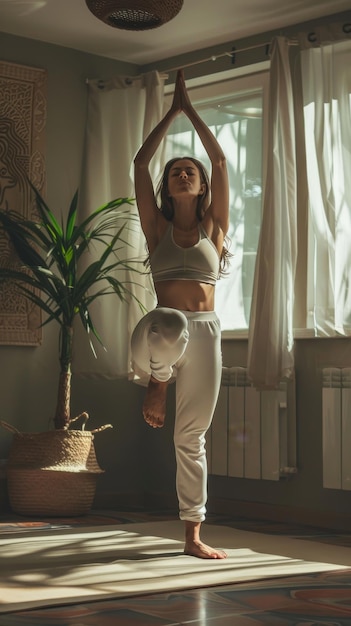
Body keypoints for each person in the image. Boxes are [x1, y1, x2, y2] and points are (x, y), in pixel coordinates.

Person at [131, 69, 229, 559]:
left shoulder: (214, 225)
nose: (182, 173)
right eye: (175, 172)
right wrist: (171, 112)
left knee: (191, 436)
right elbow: (140, 160)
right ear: (167, 189)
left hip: (207, 333)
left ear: (201, 184)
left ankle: (192, 534)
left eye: (189, 170)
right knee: (170, 321)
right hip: (159, 334)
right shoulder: (155, 227)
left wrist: (192, 109)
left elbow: (220, 157)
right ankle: (158, 381)